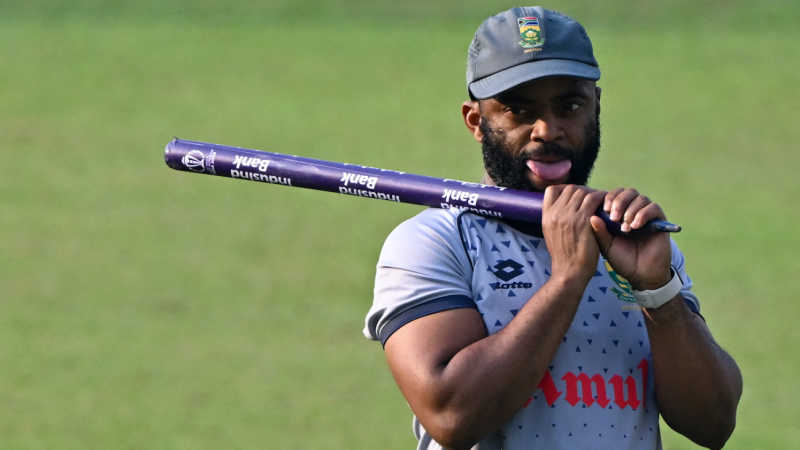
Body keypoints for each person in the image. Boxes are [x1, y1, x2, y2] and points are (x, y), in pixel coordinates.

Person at [363, 6, 742, 450]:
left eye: (570, 106)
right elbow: (451, 414)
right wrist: (567, 281)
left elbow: (714, 424)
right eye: (519, 110)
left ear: (596, 107)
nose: (547, 130)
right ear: (476, 121)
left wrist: (658, 291)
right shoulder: (432, 243)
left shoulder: (634, 242)